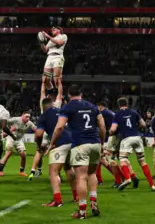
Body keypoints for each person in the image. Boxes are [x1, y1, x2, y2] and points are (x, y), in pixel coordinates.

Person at [48, 85, 105, 219]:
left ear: (69, 95)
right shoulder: (92, 106)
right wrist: (102, 143)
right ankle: (93, 201)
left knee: (81, 177)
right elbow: (102, 126)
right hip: (95, 143)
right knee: (92, 174)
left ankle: (82, 211)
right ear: (81, 94)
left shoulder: (67, 107)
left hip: (80, 144)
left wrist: (52, 143)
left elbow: (60, 126)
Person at [36, 97, 76, 207]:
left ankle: (57, 200)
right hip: (72, 142)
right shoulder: (61, 111)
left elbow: (38, 134)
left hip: (60, 144)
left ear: (43, 107)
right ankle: (76, 196)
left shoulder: (44, 116)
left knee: (53, 172)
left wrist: (39, 146)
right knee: (68, 168)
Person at [110, 97, 155, 192]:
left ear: (118, 105)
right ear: (127, 104)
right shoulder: (134, 112)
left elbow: (113, 129)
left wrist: (110, 132)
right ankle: (152, 185)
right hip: (137, 138)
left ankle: (127, 178)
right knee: (142, 161)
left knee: (123, 159)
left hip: (126, 139)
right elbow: (143, 124)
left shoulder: (117, 114)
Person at [39, 27, 68, 98]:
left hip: (58, 57)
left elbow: (59, 43)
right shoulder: (51, 40)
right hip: (49, 57)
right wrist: (41, 42)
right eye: (52, 30)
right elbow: (45, 50)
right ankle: (52, 94)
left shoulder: (63, 36)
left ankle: (60, 96)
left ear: (59, 30)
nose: (52, 30)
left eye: (54, 29)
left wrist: (48, 36)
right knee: (46, 80)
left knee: (56, 80)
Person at [96, 102, 120, 186]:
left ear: (100, 106)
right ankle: (99, 180)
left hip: (108, 138)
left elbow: (102, 126)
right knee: (101, 159)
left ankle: (121, 178)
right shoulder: (111, 113)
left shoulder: (103, 113)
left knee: (108, 159)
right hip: (116, 137)